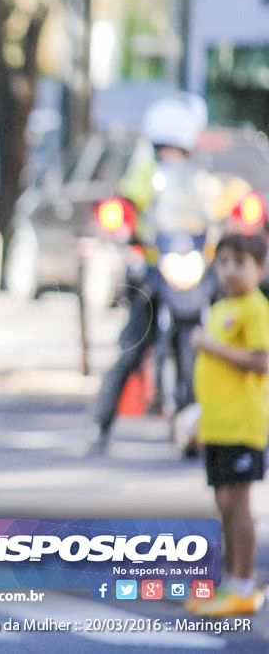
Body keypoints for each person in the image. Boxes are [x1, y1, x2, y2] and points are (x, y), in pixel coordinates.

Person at [90, 94, 211, 453]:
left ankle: (194, 427)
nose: (170, 152)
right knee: (130, 348)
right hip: (150, 271)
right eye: (164, 146)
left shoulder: (197, 178)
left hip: (185, 271)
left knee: (196, 344)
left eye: (176, 147)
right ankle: (101, 424)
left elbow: (213, 212)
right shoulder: (144, 174)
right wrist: (128, 237)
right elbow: (124, 207)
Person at [187, 232, 269, 617]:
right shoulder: (222, 306)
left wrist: (211, 346)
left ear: (260, 268)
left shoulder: (255, 308)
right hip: (218, 424)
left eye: (240, 262)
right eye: (223, 262)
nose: (230, 270)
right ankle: (229, 581)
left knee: (238, 504)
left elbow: (260, 360)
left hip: (242, 425)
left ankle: (243, 584)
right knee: (223, 503)